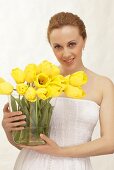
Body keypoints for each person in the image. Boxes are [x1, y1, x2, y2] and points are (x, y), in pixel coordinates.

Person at [2, 12, 114, 170]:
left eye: (72, 44)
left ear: (84, 40)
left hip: (75, 166)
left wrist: (60, 152)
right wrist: (8, 129)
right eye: (58, 47)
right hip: (31, 165)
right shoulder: (38, 81)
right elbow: (25, 144)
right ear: (51, 46)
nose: (65, 53)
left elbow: (110, 143)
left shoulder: (103, 85)